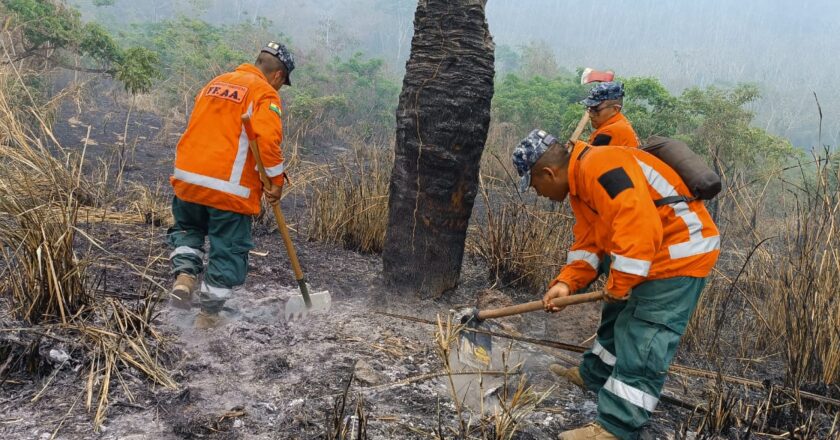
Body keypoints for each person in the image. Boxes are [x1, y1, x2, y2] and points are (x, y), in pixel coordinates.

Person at [512, 130, 720, 439]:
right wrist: (567, 284)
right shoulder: (581, 185)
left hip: (677, 258)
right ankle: (594, 375)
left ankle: (616, 427)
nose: (538, 193)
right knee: (615, 318)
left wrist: (621, 284)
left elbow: (640, 229)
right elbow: (590, 244)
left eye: (536, 185)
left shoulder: (603, 168)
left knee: (644, 338)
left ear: (548, 172)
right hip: (649, 258)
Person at [167, 41, 295, 328]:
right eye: (283, 84)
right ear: (278, 76)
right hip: (228, 189)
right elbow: (267, 141)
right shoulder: (265, 94)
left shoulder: (216, 82)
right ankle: (209, 316)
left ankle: (185, 278)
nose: (280, 89)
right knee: (228, 249)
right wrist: (274, 183)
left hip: (187, 180)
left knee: (189, 231)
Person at [582, 82, 640, 148]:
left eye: (596, 109)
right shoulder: (621, 122)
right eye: (590, 108)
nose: (591, 115)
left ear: (615, 109)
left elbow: (588, 157)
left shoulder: (608, 133)